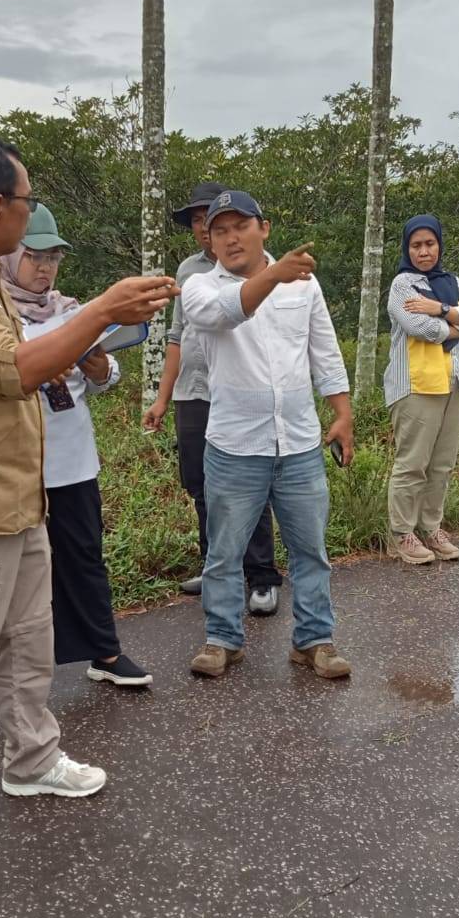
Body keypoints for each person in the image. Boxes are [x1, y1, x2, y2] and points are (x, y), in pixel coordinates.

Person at [0, 135, 176, 859]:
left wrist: (98, 322)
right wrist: (103, 309)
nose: (28, 215)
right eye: (24, 201)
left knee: (30, 644)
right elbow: (8, 369)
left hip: (18, 499)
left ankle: (32, 759)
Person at [180, 190, 354, 680]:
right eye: (219, 230)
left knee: (311, 550)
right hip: (235, 446)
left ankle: (314, 640)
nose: (231, 237)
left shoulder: (304, 284)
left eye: (241, 225)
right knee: (224, 552)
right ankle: (222, 640)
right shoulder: (199, 287)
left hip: (299, 442)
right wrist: (273, 276)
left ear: (265, 228)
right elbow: (225, 314)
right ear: (209, 241)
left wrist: (342, 412)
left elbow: (324, 349)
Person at [0, 204, 151, 688]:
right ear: (9, 256)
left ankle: (103, 653)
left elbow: (107, 376)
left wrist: (101, 370)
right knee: (16, 569)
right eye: (34, 256)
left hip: (73, 459)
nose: (45, 268)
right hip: (17, 465)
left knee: (84, 555)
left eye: (54, 258)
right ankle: (12, 664)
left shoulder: (74, 312)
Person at [145, 181, 283, 615]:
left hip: (241, 391)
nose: (206, 228)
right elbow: (176, 336)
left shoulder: (258, 267)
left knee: (251, 481)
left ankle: (261, 574)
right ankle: (215, 566)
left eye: (214, 219)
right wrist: (162, 398)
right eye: (199, 221)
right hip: (194, 391)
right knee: (200, 484)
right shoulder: (187, 272)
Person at [383, 213, 459, 564]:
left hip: (455, 380)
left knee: (442, 462)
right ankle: (402, 533)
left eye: (429, 244)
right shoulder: (402, 285)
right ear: (407, 248)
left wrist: (440, 307)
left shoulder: (451, 282)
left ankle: (431, 527)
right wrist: (456, 324)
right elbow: (418, 327)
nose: (423, 252)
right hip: (416, 383)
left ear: (439, 245)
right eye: (416, 245)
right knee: (412, 462)